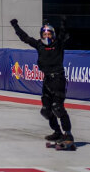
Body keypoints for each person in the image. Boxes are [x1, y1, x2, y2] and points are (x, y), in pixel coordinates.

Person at [11, 17, 74, 148]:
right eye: (44, 34)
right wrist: (15, 26)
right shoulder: (39, 44)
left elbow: (64, 34)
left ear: (53, 34)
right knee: (46, 110)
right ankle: (57, 132)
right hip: (47, 80)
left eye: (49, 33)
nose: (46, 36)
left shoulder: (58, 43)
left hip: (58, 79)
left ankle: (68, 134)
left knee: (58, 107)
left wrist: (63, 24)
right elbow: (25, 38)